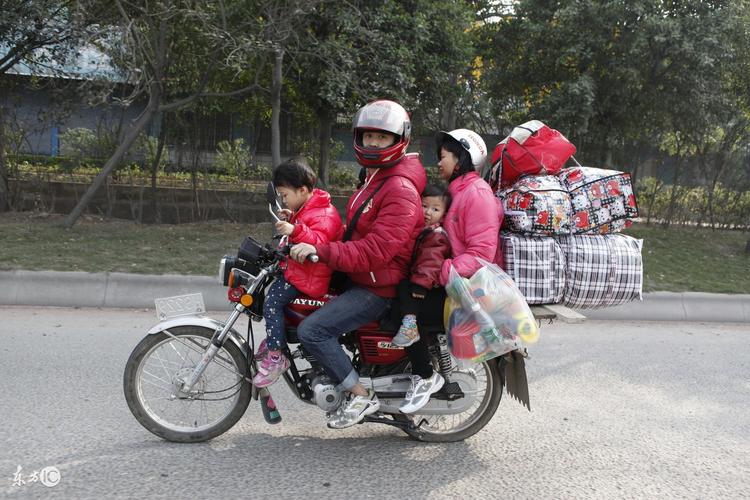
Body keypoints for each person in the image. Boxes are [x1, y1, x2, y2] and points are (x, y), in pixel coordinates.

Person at [289, 99, 427, 429]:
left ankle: (359, 393)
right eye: (368, 137)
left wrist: (321, 252)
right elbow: (354, 231)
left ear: (400, 139)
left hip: (379, 286)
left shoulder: (399, 189)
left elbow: (374, 251)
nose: (373, 144)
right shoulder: (376, 177)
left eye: (382, 138)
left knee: (314, 330)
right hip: (364, 276)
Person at [395, 128, 503, 412]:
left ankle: (423, 376)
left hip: (464, 286)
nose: (438, 163)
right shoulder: (455, 190)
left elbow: (481, 255)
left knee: (399, 306)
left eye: (443, 157)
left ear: (462, 158)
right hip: (448, 279)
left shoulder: (477, 193)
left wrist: (439, 271)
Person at [253, 157, 343, 388]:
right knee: (272, 295)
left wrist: (295, 228)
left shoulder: (325, 213)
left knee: (272, 302)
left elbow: (319, 240)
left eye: (285, 195)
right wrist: (292, 218)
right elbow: (307, 226)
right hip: (302, 272)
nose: (283, 199)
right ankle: (277, 340)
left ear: (302, 190)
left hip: (311, 277)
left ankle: (276, 354)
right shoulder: (310, 207)